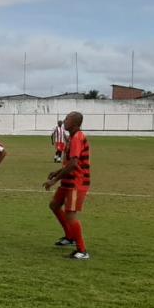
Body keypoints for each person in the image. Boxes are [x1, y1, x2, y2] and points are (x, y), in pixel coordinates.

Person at [44, 111, 91, 260]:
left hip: (76, 181)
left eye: (67, 119)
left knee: (70, 214)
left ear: (75, 123)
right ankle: (70, 237)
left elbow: (74, 164)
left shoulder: (77, 138)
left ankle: (82, 251)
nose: (64, 121)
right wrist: (57, 172)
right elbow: (70, 163)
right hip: (68, 180)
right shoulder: (71, 137)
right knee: (54, 205)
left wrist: (54, 180)